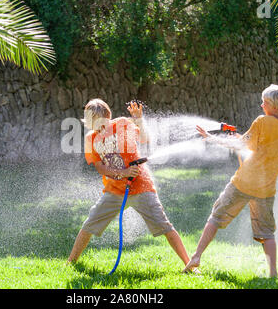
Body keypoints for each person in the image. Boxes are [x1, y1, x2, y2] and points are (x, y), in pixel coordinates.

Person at [184, 84, 278, 278]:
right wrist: (240, 140)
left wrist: (211, 138)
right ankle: (273, 273)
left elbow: (243, 144)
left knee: (216, 217)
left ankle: (196, 257)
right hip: (266, 189)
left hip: (243, 183)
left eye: (265, 102)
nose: (261, 105)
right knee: (267, 232)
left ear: (274, 106)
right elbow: (259, 147)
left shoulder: (263, 121)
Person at [67, 98, 190, 270]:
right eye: (93, 123)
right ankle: (70, 262)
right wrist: (123, 173)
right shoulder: (90, 139)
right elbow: (100, 167)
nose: (98, 128)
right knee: (89, 224)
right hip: (114, 192)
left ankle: (190, 265)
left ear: (108, 117)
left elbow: (145, 139)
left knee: (164, 225)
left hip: (141, 187)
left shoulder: (123, 124)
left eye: (101, 123)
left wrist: (139, 119)